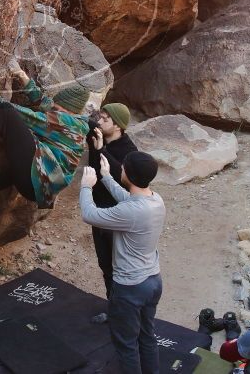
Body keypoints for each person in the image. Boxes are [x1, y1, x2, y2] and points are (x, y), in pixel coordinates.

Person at [0, 61, 89, 209]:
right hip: (37, 189)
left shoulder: (68, 122)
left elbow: (31, 118)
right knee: (21, 164)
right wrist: (21, 75)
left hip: (35, 180)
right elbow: (46, 103)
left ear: (70, 112)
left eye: (58, 109)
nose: (53, 110)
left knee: (5, 111)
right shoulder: (76, 123)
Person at [80, 152, 165, 374]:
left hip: (130, 288)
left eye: (123, 168)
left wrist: (86, 186)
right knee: (147, 336)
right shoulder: (155, 199)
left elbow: (89, 214)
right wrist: (107, 177)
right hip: (153, 281)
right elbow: (128, 199)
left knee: (126, 345)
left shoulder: (131, 213)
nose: (121, 170)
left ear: (128, 174)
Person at [87, 103, 138, 323]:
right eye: (100, 116)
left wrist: (101, 151)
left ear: (117, 126)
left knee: (120, 268)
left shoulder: (129, 151)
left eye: (105, 118)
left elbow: (124, 179)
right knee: (105, 264)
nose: (100, 121)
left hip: (117, 216)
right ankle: (114, 310)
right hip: (99, 213)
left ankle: (126, 313)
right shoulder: (97, 137)